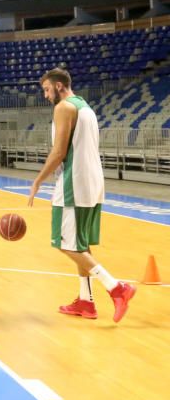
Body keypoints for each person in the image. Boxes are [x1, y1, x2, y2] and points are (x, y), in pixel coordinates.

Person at [28, 67, 136, 322]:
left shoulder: (64, 108)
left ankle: (117, 288)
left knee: (65, 244)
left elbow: (58, 153)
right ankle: (86, 302)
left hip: (74, 184)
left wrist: (37, 182)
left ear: (58, 86)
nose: (45, 96)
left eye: (46, 89)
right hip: (93, 182)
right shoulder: (85, 106)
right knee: (80, 245)